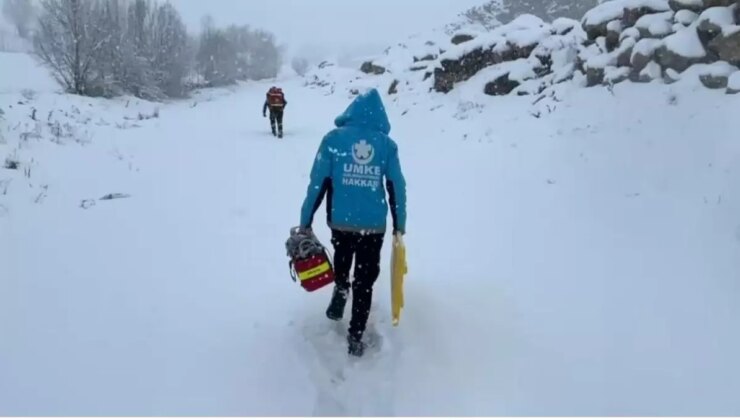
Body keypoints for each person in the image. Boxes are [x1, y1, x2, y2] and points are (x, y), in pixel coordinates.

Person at [298, 88, 407, 357]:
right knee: (366, 280)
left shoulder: (333, 139)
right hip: (373, 226)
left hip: (341, 222)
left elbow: (317, 183)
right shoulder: (385, 145)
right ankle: (356, 335)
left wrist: (305, 221)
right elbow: (397, 187)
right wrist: (399, 224)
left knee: (343, 259)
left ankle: (341, 288)